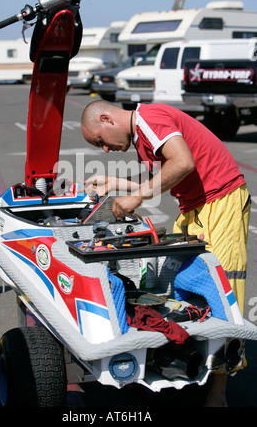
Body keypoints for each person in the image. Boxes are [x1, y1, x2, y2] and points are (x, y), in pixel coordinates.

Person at [81, 100, 251, 407]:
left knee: (221, 287)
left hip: (220, 199)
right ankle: (186, 362)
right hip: (196, 205)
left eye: (100, 141)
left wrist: (136, 197)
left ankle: (219, 393)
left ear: (106, 119)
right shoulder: (144, 137)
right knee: (176, 281)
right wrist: (117, 184)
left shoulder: (149, 117)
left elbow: (183, 163)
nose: (105, 149)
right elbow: (169, 175)